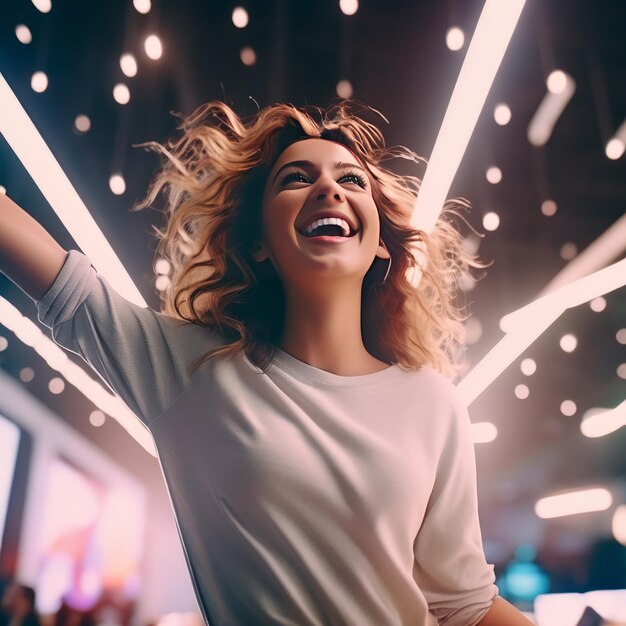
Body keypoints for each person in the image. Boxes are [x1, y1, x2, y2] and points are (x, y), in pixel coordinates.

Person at [0, 101, 533, 625]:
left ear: (380, 246)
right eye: (296, 178)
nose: (329, 188)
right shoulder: (193, 370)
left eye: (352, 181)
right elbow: (67, 289)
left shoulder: (433, 402)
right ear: (258, 243)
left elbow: (465, 605)